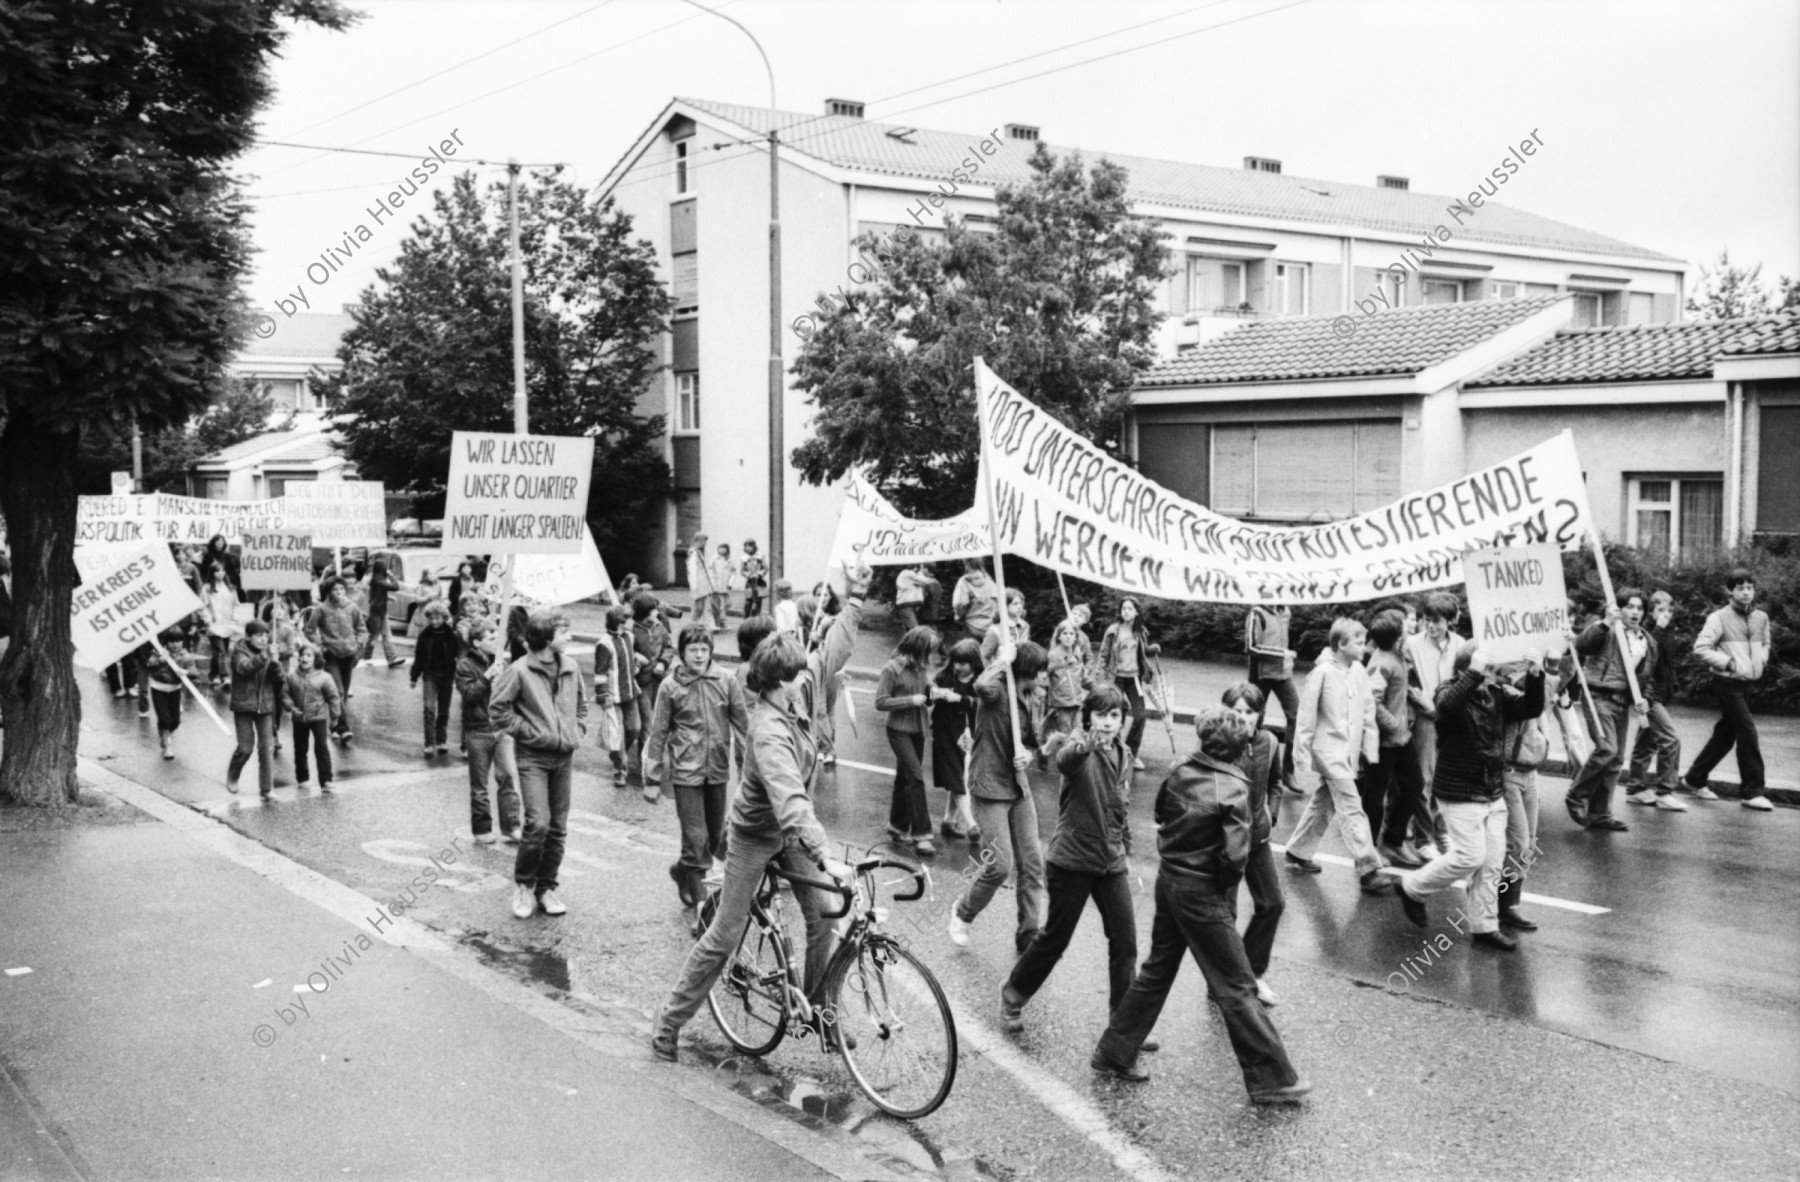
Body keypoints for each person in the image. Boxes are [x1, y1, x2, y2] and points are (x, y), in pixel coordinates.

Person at [651, 632, 856, 1064]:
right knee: (725, 934)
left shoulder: (795, 699)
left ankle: (819, 1012)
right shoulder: (767, 731)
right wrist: (826, 856)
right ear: (781, 680)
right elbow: (791, 801)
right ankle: (669, 1021)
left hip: (789, 834)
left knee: (825, 915)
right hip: (755, 835)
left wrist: (855, 595)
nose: (806, 678)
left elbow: (830, 651)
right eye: (798, 674)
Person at [1090, 707, 1310, 1104]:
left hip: (1169, 881)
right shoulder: (1234, 789)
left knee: (1158, 969)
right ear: (1239, 747)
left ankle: (1114, 1050)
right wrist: (1220, 895)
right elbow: (1234, 857)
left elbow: (1160, 815)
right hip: (1203, 893)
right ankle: (1272, 1079)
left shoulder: (1179, 770)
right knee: (1238, 985)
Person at [1000, 684, 1136, 1034]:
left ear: (1122, 719)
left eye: (1115, 716)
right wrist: (1085, 746)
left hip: (1111, 860)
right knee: (1055, 939)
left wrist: (1127, 849)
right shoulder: (1077, 746)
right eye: (1101, 715)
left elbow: (1121, 808)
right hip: (1072, 859)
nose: (1107, 723)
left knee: (1126, 943)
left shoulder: (1124, 753)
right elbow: (1067, 759)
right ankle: (1013, 994)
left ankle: (1122, 1025)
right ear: (1087, 716)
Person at [1396, 642, 1546, 951]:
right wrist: (1475, 673)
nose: (1495, 675)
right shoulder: (1449, 691)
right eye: (1489, 669)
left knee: (1491, 864)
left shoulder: (1496, 694)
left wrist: (1536, 676)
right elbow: (1446, 708)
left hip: (1491, 790)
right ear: (1471, 668)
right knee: (1470, 856)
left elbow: (1530, 708)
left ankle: (1484, 926)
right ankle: (1412, 887)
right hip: (1460, 790)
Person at [947, 638, 1048, 954]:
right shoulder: (997, 691)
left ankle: (1028, 931)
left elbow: (1032, 742)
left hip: (1018, 787)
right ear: (1027, 670)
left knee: (1032, 864)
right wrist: (1001, 661)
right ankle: (963, 912)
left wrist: (1029, 756)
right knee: (1000, 865)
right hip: (990, 787)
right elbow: (980, 686)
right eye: (1041, 671)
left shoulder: (1031, 698)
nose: (1045, 677)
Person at [644, 623, 750, 908]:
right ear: (682, 653)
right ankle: (703, 910)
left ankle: (683, 871)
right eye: (693, 650)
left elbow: (744, 726)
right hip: (685, 772)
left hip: (716, 770)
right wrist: (652, 779)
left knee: (714, 839)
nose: (700, 656)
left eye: (704, 650)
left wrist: (757, 765)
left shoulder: (726, 680)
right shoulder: (670, 686)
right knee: (695, 837)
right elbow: (658, 732)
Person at [491, 611, 588, 920]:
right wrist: (531, 733)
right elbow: (498, 710)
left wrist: (577, 731)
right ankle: (523, 885)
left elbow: (582, 706)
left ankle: (546, 888)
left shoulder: (570, 667)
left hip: (563, 757)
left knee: (558, 827)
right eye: (564, 632)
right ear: (545, 637)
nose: (569, 637)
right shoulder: (518, 671)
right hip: (533, 756)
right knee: (538, 823)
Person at [1283, 618, 1391, 895]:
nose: (1365, 647)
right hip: (1327, 750)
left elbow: (1367, 711)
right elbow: (1305, 716)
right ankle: (1368, 868)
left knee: (1325, 801)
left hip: (1348, 752)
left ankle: (1297, 850)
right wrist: (1301, 756)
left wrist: (1370, 749)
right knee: (1351, 805)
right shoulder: (1322, 673)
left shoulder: (1358, 671)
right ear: (1341, 645)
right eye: (1358, 642)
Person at [1564, 588, 1657, 832]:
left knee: (1615, 760)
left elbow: (1646, 679)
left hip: (1621, 700)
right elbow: (1582, 645)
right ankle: (1576, 795)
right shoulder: (1606, 628)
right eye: (1629, 607)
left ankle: (1600, 814)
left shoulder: (1646, 641)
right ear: (1619, 608)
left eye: (1640, 608)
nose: (1635, 612)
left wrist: (1644, 699)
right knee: (1606, 749)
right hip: (1598, 695)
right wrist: (1605, 622)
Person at [1683, 569, 1774, 812]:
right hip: (1726, 682)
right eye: (1740, 587)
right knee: (1747, 732)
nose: (1746, 592)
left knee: (1727, 734)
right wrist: (1727, 662)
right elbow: (1700, 647)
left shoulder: (1761, 618)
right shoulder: (1719, 618)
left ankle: (1695, 778)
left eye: (1749, 587)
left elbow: (1765, 642)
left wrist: (1761, 660)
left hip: (1747, 682)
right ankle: (1752, 791)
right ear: (1730, 591)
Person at [1222, 683, 1286, 1007]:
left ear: (1259, 715)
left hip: (1258, 838)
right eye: (1236, 711)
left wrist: (1271, 816)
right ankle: (1224, 982)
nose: (1243, 718)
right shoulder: (1216, 745)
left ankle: (1253, 973)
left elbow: (1276, 783)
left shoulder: (1270, 742)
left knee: (1272, 903)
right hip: (1225, 844)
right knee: (1226, 915)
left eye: (1249, 712)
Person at [1365, 608, 1428, 868]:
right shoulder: (1382, 662)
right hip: (1382, 741)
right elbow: (1372, 702)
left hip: (1401, 738)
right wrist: (1394, 726)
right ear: (1394, 634)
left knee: (1414, 785)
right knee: (1374, 797)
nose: (1409, 626)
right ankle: (1369, 851)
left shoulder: (1397, 655)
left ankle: (1393, 840)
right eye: (1404, 624)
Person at [1403, 592, 1463, 857]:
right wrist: (1422, 706)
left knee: (1446, 780)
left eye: (1437, 621)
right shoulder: (1412, 645)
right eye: (1427, 620)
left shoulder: (1460, 645)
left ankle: (1443, 832)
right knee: (1424, 780)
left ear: (1449, 620)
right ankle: (1423, 839)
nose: (1431, 626)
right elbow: (1407, 683)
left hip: (1451, 720)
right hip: (1426, 720)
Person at [876, 625, 943, 857]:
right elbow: (881, 702)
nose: (931, 655)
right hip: (898, 730)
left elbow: (925, 685)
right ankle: (922, 835)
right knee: (916, 778)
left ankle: (897, 825)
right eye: (928, 650)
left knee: (904, 777)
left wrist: (932, 689)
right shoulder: (892, 669)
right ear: (917, 647)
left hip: (918, 729)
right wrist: (910, 700)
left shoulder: (920, 666)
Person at [1496, 656, 1551, 933]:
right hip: (1511, 774)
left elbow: (1554, 685)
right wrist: (1532, 675)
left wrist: (1542, 667)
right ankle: (1505, 905)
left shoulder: (1535, 685)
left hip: (1530, 773)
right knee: (1519, 844)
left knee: (1530, 843)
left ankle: (1509, 903)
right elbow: (1530, 706)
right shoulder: (1502, 692)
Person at [457, 622, 521, 845]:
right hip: (478, 730)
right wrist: (486, 677)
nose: (496, 640)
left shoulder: (503, 662)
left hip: (501, 729)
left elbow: (513, 693)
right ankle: (482, 828)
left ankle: (511, 826)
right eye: (490, 637)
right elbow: (469, 693)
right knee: (480, 785)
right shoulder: (465, 665)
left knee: (508, 777)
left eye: (497, 636)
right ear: (476, 642)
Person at [1626, 589, 1687, 811]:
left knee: (1647, 742)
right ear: (1650, 612)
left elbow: (1665, 662)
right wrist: (1659, 627)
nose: (1666, 614)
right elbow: (1649, 652)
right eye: (1661, 610)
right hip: (1649, 695)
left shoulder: (1666, 631)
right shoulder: (1649, 631)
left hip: (1659, 693)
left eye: (1669, 610)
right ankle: (1665, 791)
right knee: (1671, 740)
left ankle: (1635, 787)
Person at [1099, 597, 1160, 772]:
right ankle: (1113, 749)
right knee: (1117, 712)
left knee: (1140, 716)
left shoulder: (1140, 631)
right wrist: (1100, 679)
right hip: (1116, 677)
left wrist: (1152, 648)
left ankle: (1132, 753)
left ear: (1136, 612)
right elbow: (1103, 655)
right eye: (1123, 608)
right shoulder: (1113, 631)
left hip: (1134, 679)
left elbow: (1142, 651)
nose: (1126, 611)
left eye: (1129, 609)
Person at [931, 638, 982, 841]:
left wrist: (960, 699)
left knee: (960, 776)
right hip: (944, 732)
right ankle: (971, 825)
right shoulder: (945, 676)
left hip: (968, 735)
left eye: (962, 663)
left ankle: (948, 821)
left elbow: (985, 704)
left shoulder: (980, 681)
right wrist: (934, 693)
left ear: (973, 663)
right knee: (957, 777)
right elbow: (930, 689)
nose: (957, 667)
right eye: (955, 662)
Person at [304, 578, 368, 742]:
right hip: (331, 655)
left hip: (349, 654)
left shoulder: (352, 607)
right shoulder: (321, 609)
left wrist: (359, 645)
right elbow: (309, 630)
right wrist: (321, 645)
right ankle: (343, 727)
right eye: (335, 590)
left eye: (341, 589)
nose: (339, 592)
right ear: (328, 592)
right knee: (337, 692)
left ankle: (334, 723)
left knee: (343, 693)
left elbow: (362, 630)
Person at [1244, 603, 1299, 790]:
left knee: (1297, 718)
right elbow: (1251, 647)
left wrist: (1285, 658)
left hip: (1283, 676)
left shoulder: (1286, 610)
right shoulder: (1257, 613)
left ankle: (1288, 772)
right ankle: (1250, 767)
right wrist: (1281, 654)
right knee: (1254, 721)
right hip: (1260, 676)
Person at [226, 620, 282, 799]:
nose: (263, 639)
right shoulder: (239, 651)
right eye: (258, 635)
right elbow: (245, 668)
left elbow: (278, 680)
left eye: (266, 635)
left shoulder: (268, 652)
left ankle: (267, 788)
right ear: (248, 636)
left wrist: (275, 664)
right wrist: (265, 656)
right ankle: (233, 774)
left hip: (265, 705)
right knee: (245, 748)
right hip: (244, 705)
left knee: (267, 748)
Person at [282, 643, 341, 793]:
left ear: (316, 659)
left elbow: (333, 697)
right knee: (300, 749)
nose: (304, 658)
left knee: (321, 748)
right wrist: (290, 707)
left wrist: (335, 716)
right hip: (299, 717)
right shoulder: (292, 676)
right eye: (302, 655)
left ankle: (326, 780)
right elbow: (285, 694)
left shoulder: (325, 677)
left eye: (309, 655)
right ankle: (302, 778)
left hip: (318, 717)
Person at [595, 605, 642, 787]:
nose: (632, 622)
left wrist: (636, 664)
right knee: (616, 735)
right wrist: (603, 695)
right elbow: (600, 672)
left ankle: (617, 753)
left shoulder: (629, 637)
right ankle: (620, 769)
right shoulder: (604, 644)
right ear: (620, 623)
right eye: (628, 619)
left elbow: (630, 658)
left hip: (630, 691)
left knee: (634, 728)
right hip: (613, 696)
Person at [410, 600, 460, 756]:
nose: (434, 621)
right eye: (431, 618)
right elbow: (418, 657)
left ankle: (441, 740)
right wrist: (414, 676)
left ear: (444, 618)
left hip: (447, 675)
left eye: (438, 618)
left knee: (444, 709)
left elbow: (458, 654)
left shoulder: (451, 635)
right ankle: (429, 742)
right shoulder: (424, 635)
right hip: (430, 675)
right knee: (429, 708)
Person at [144, 631, 202, 761]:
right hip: (158, 688)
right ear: (167, 643)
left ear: (183, 641)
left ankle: (164, 736)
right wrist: (160, 661)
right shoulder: (159, 652)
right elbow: (149, 666)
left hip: (175, 690)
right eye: (172, 642)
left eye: (178, 641)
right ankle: (167, 746)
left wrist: (185, 671)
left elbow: (195, 672)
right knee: (165, 719)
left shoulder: (186, 656)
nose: (175, 645)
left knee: (175, 721)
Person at [1042, 618, 1094, 745]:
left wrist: (1095, 688)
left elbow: (1082, 677)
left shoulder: (1077, 654)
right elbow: (1043, 676)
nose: (1068, 637)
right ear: (1058, 636)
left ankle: (1071, 760)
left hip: (1076, 702)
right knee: (1066, 736)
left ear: (1076, 637)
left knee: (1077, 732)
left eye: (1072, 634)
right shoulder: (1053, 655)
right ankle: (1049, 755)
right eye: (1065, 633)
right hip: (1061, 704)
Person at [631, 592, 673, 741]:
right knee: (647, 722)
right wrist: (635, 655)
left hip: (659, 679)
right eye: (654, 609)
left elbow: (668, 647)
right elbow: (625, 651)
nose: (657, 612)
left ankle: (657, 753)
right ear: (645, 613)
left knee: (660, 718)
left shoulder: (659, 626)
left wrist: (663, 662)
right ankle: (644, 758)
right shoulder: (632, 631)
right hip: (642, 683)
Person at [361, 559, 406, 668]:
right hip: (377, 611)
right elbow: (395, 587)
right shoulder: (378, 580)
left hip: (380, 610)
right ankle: (366, 657)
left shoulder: (375, 580)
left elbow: (376, 594)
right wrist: (391, 576)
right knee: (374, 635)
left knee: (385, 635)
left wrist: (387, 597)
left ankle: (391, 658)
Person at [202, 567, 242, 689]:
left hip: (227, 624)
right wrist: (207, 620)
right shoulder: (207, 588)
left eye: (222, 570)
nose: (220, 573)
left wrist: (235, 619)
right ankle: (225, 676)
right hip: (214, 625)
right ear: (212, 573)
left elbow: (237, 604)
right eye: (217, 571)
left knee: (220, 651)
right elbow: (202, 605)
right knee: (221, 652)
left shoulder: (230, 588)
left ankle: (213, 675)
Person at [951, 559, 999, 648]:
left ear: (966, 565)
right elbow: (997, 602)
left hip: (971, 626)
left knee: (971, 654)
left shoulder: (964, 582)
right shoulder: (989, 581)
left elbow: (959, 604)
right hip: (989, 626)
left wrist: (959, 617)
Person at [979, 587, 1030, 666]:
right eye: (1015, 604)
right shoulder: (995, 631)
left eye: (1021, 603)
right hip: (1002, 671)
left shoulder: (1025, 626)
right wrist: (992, 673)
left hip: (1021, 671)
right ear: (1004, 606)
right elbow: (983, 657)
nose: (1020, 606)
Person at [687, 532, 718, 630]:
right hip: (698, 584)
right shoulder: (694, 553)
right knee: (698, 607)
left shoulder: (699, 553)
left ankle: (710, 625)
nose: (705, 544)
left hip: (704, 584)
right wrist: (694, 586)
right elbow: (692, 570)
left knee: (707, 606)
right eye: (704, 541)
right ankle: (692, 625)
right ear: (698, 541)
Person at [894, 563, 934, 633]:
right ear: (915, 568)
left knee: (909, 631)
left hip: (909, 606)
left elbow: (924, 583)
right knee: (916, 630)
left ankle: (907, 643)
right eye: (920, 568)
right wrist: (923, 573)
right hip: (906, 606)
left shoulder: (910, 577)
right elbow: (926, 581)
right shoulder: (908, 573)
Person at [707, 541, 735, 632]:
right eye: (721, 547)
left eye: (724, 548)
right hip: (716, 586)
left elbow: (733, 572)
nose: (722, 550)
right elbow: (710, 571)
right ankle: (717, 623)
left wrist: (730, 583)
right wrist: (712, 584)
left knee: (726, 604)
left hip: (725, 586)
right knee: (716, 605)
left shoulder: (730, 560)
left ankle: (722, 622)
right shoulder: (714, 559)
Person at [740, 539, 768, 618]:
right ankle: (746, 619)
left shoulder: (760, 556)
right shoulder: (744, 558)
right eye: (746, 546)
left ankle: (756, 620)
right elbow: (742, 571)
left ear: (754, 546)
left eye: (750, 546)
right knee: (748, 601)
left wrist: (759, 574)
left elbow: (765, 568)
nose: (748, 548)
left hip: (759, 581)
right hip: (750, 582)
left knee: (758, 601)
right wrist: (749, 575)